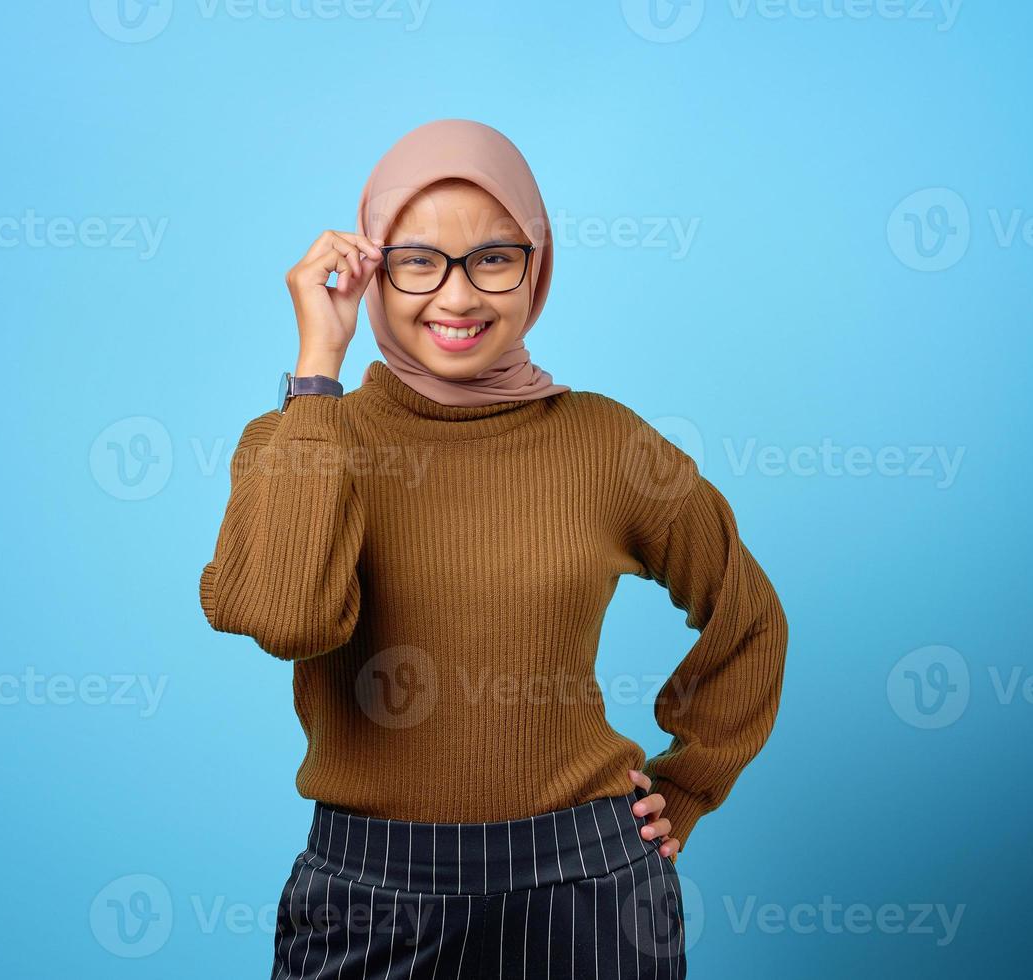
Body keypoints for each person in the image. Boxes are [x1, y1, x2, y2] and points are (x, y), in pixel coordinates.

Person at [198, 118, 789, 979]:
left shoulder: (606, 443)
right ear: (371, 269)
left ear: (535, 264)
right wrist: (316, 370)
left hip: (586, 890)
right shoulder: (303, 438)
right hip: (372, 895)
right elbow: (287, 618)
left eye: (493, 257)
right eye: (418, 260)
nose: (459, 295)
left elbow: (750, 617)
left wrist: (688, 785)